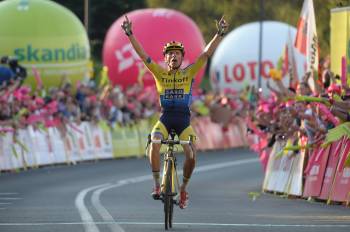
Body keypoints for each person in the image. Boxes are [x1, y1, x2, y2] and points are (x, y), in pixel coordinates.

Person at [121, 15, 228, 209]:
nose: (174, 56)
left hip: (183, 121)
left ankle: (184, 188)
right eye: (170, 54)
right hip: (166, 118)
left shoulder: (189, 72)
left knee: (190, 154)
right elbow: (143, 54)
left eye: (177, 53)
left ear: (182, 57)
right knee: (154, 142)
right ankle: (156, 184)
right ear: (166, 58)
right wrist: (130, 34)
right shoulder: (159, 73)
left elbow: (205, 55)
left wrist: (219, 35)